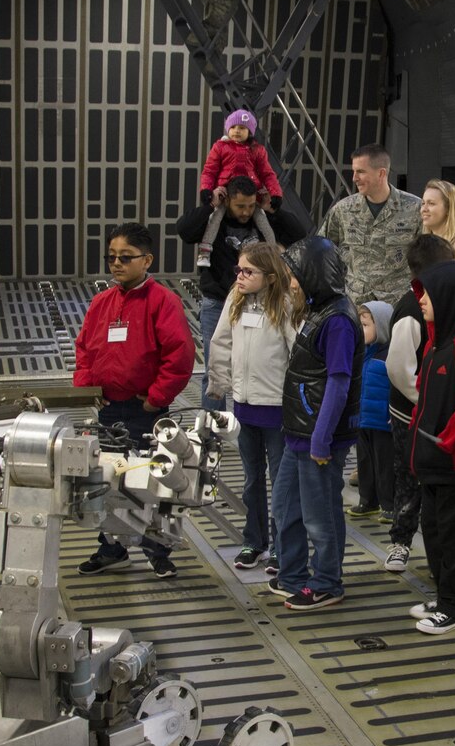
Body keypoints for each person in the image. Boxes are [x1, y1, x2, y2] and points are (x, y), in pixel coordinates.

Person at [74, 223, 195, 579]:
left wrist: (155, 399)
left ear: (147, 260)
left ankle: (158, 550)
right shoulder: (102, 302)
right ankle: (112, 549)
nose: (116, 263)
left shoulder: (163, 302)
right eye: (111, 257)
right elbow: (84, 349)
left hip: (144, 412)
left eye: (125, 257)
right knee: (107, 482)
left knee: (151, 483)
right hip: (109, 409)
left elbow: (180, 355)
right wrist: (87, 390)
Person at [267, 236, 363, 610]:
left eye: (294, 275)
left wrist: (321, 441)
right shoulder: (319, 311)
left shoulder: (337, 320)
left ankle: (326, 582)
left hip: (317, 439)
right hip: (299, 433)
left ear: (311, 275)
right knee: (286, 506)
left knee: (320, 516)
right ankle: (292, 573)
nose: (290, 282)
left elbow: (338, 384)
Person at [177, 175, 305, 411]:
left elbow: (299, 233)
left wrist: (272, 210)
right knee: (213, 367)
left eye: (250, 205)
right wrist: (210, 205)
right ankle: (213, 430)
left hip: (262, 301)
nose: (246, 212)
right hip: (218, 301)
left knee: (258, 363)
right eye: (240, 206)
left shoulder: (262, 220)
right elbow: (184, 230)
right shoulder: (215, 220)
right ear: (228, 202)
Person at [206, 242, 296, 571]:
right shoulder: (236, 299)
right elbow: (220, 342)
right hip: (244, 407)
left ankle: (284, 548)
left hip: (275, 408)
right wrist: (218, 384)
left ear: (270, 276)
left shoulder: (284, 304)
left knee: (281, 482)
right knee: (251, 480)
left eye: (248, 271)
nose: (240, 277)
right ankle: (254, 542)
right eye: (238, 270)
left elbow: (297, 350)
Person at [406, 260, 455, 634]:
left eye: (428, 294)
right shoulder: (436, 341)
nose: (420, 300)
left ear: (449, 298)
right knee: (434, 530)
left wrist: (447, 441)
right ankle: (444, 595)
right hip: (431, 462)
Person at [383, 234, 455, 572]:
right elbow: (398, 368)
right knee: (408, 476)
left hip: (439, 412)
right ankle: (400, 541)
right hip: (410, 413)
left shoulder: (446, 302)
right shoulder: (411, 310)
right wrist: (428, 402)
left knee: (436, 479)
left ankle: (439, 546)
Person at [318, 144, 422, 304]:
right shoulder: (343, 210)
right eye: (354, 171)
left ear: (381, 173)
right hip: (356, 305)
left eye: (360, 171)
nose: (354, 178)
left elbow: (427, 258)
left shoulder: (415, 209)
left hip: (397, 306)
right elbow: (321, 250)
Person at [197, 109, 283, 267]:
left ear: (250, 131)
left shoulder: (257, 150)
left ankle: (274, 254)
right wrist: (206, 189)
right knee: (214, 220)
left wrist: (275, 193)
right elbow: (209, 171)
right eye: (233, 127)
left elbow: (267, 174)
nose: (237, 131)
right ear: (227, 128)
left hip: (252, 195)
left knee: (264, 223)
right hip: (225, 195)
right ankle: (204, 252)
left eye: (242, 128)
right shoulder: (220, 147)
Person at [347, 301, 394, 520]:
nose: (360, 330)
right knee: (365, 462)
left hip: (382, 420)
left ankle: (390, 504)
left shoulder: (388, 355)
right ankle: (368, 500)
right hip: (362, 419)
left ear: (382, 327)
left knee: (385, 464)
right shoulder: (360, 354)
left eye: (365, 325)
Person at [419, 179, 455, 274]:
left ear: (449, 208)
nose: (424, 209)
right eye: (423, 203)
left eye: (431, 203)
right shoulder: (426, 246)